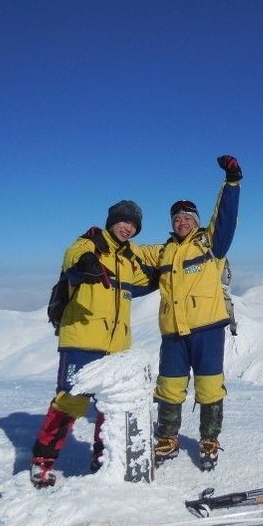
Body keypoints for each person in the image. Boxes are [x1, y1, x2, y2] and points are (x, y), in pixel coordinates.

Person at [30, 200, 157, 488]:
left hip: (116, 346)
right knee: (70, 400)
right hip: (83, 339)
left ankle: (103, 459)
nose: (128, 228)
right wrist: (85, 265)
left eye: (134, 225)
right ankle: (42, 462)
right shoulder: (88, 245)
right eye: (124, 222)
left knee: (109, 406)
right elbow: (74, 263)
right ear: (112, 221)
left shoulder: (126, 262)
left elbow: (149, 281)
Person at [133, 155, 241, 470]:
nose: (182, 222)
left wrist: (232, 181)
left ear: (196, 221)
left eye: (187, 217)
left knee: (209, 386)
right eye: (177, 218)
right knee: (169, 386)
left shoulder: (210, 243)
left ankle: (209, 440)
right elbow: (131, 254)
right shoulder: (162, 251)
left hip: (207, 330)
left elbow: (225, 218)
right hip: (173, 334)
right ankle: (167, 440)